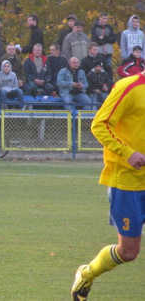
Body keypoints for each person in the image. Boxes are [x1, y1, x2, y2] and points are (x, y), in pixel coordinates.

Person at [70, 67, 145, 301]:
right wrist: (128, 152)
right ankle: (87, 273)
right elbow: (99, 125)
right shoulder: (128, 87)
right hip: (127, 182)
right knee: (128, 252)